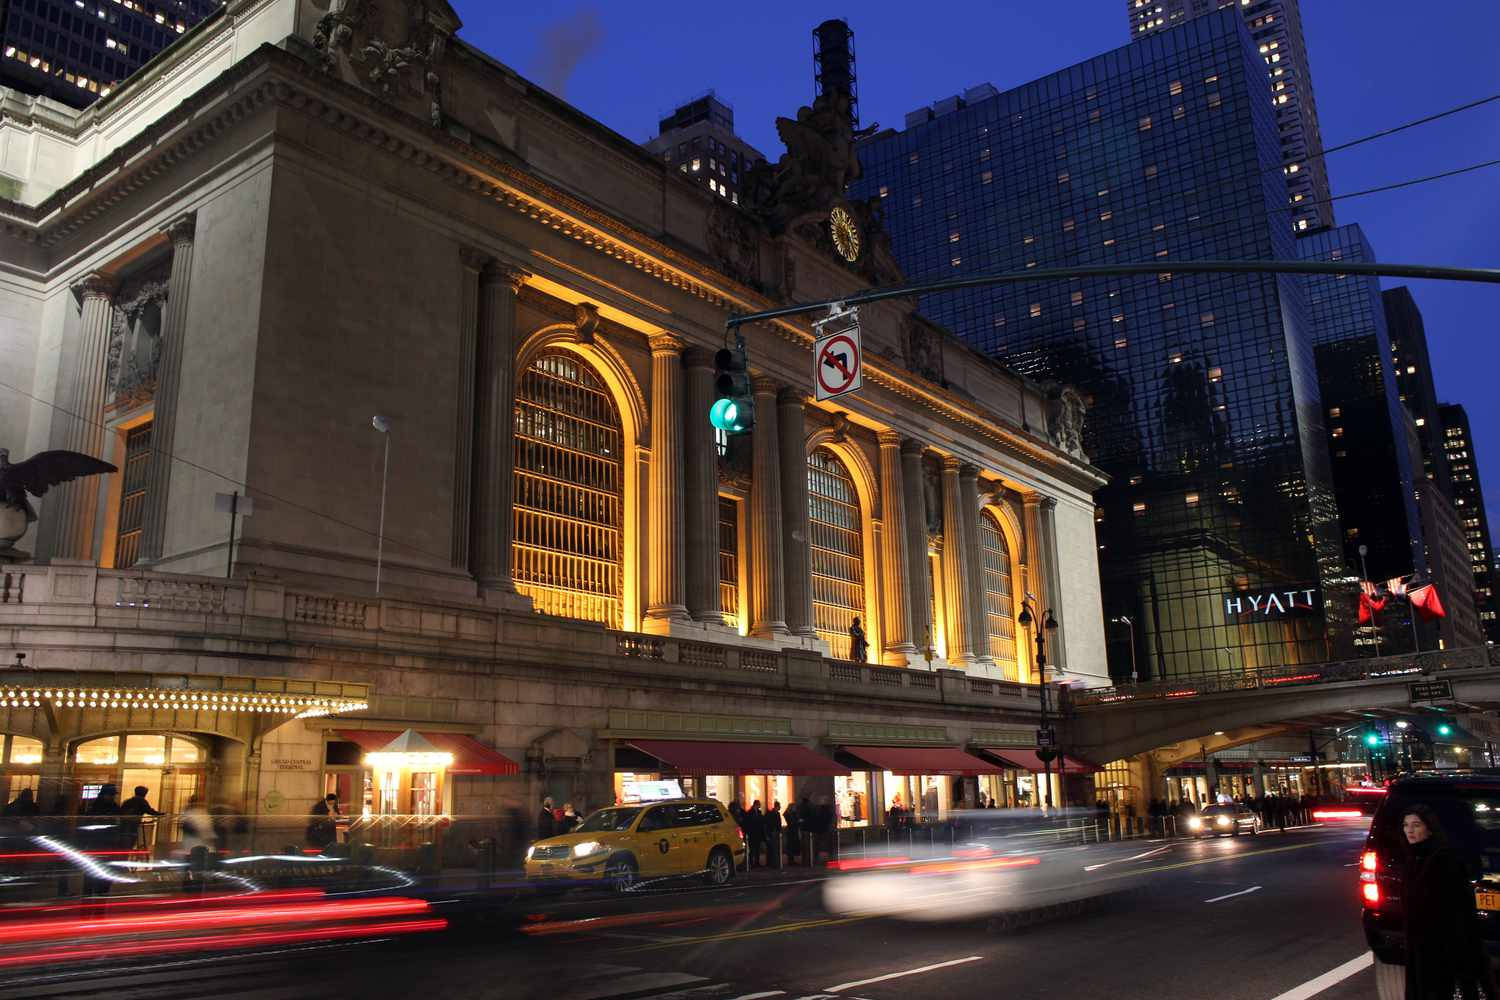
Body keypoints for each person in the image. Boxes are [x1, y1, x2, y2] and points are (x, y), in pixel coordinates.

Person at [1401, 804, 1494, 1000]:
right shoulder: (1413, 858)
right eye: (1406, 825)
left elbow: (1459, 909)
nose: (1410, 830)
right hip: (1421, 944)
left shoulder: (1444, 859)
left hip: (1445, 946)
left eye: (1416, 825)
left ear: (1429, 828)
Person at [119, 785, 163, 849]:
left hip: (124, 824)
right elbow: (149, 810)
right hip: (133, 824)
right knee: (131, 840)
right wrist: (160, 814)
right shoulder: (142, 801)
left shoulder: (128, 801)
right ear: (144, 793)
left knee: (125, 842)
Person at [745, 800, 765, 869]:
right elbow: (748, 823)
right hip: (752, 833)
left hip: (758, 833)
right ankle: (751, 863)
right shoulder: (750, 812)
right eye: (759, 804)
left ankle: (757, 862)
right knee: (752, 849)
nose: (760, 806)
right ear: (755, 805)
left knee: (757, 849)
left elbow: (761, 822)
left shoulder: (759, 812)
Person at [766, 801, 783, 869]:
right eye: (779, 806)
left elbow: (778, 823)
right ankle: (773, 863)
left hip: (776, 832)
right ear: (777, 806)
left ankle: (775, 863)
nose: (780, 807)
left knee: (775, 848)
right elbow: (770, 824)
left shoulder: (777, 813)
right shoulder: (771, 813)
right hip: (773, 832)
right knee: (773, 848)